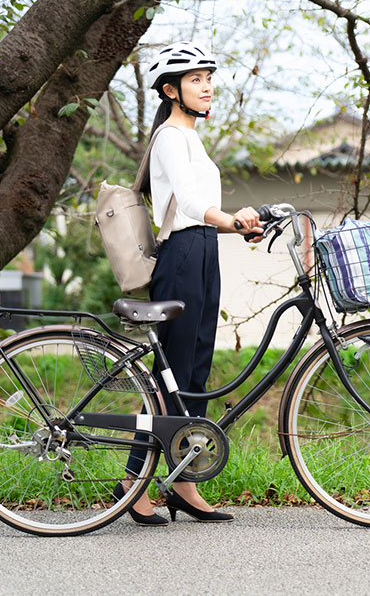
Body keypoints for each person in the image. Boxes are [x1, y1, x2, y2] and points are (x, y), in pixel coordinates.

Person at [115, 41, 263, 526]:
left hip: (203, 252)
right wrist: (231, 219)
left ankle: (182, 482)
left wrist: (239, 226)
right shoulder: (169, 138)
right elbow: (189, 203)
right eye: (196, 80)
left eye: (208, 79)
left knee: (194, 373)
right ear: (170, 90)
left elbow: (203, 211)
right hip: (181, 256)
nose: (207, 88)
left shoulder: (191, 139)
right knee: (169, 378)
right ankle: (133, 485)